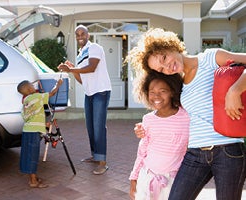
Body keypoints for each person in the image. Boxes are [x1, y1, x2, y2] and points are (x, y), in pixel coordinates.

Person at [127, 27, 246, 200]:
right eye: (161, 69)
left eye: (164, 58)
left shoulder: (211, 57)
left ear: (170, 45)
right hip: (195, 153)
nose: (166, 67)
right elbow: (171, 113)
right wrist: (145, 126)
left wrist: (235, 91)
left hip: (227, 150)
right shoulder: (179, 82)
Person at [58, 24, 112, 175]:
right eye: (77, 34)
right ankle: (95, 155)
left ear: (88, 35)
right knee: (90, 126)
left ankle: (102, 162)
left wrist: (71, 69)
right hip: (89, 93)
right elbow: (82, 79)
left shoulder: (94, 47)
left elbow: (92, 67)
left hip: (100, 91)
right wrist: (72, 68)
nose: (80, 36)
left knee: (99, 126)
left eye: (83, 33)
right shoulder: (80, 53)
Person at [129, 70, 189, 200]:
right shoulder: (148, 119)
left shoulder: (186, 117)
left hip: (173, 181)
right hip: (147, 177)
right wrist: (134, 177)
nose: (157, 96)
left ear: (172, 91)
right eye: (152, 92)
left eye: (163, 91)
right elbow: (142, 151)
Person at [17, 79, 63, 188]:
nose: (34, 87)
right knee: (33, 155)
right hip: (34, 132)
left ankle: (32, 177)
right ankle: (33, 181)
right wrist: (58, 84)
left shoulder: (26, 101)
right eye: (32, 86)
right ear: (29, 89)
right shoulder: (37, 97)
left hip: (27, 130)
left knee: (27, 154)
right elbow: (51, 94)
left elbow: (26, 117)